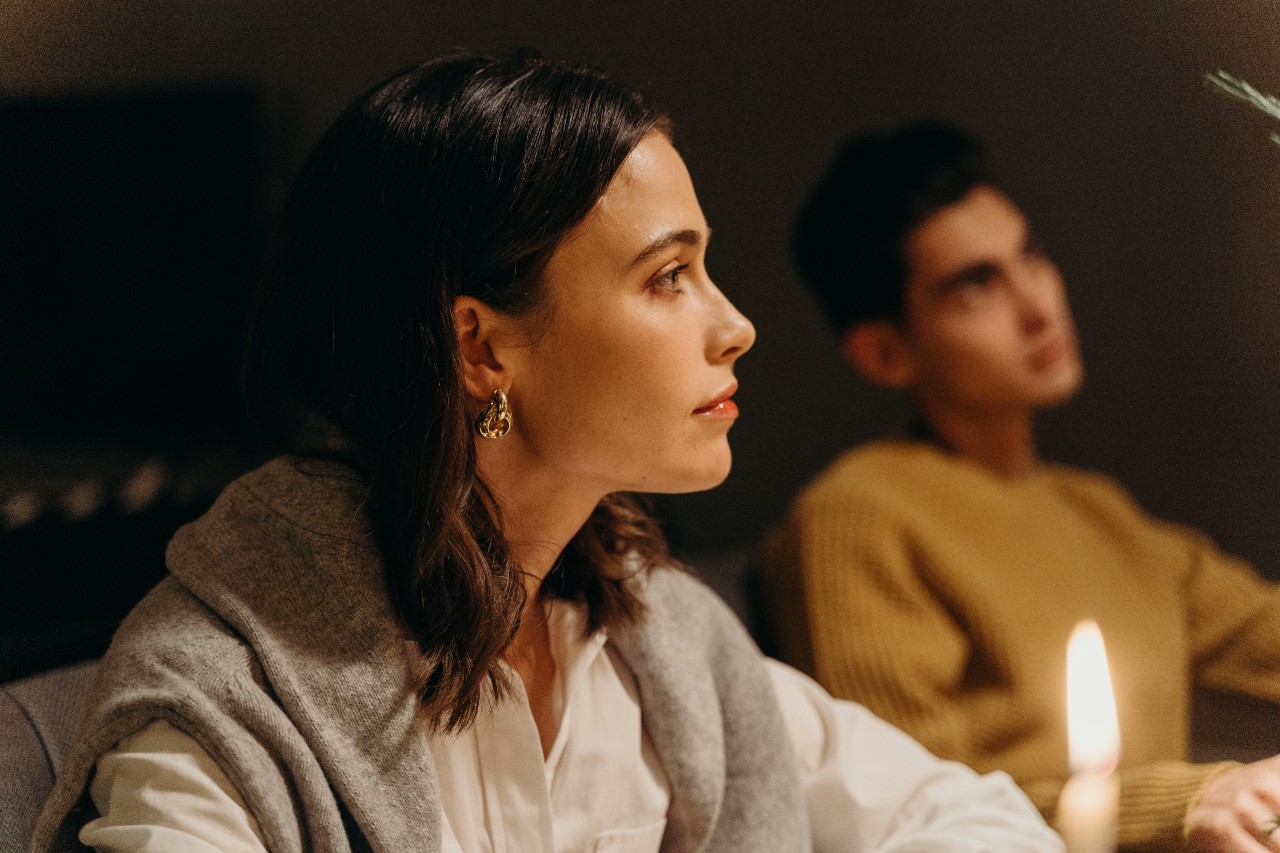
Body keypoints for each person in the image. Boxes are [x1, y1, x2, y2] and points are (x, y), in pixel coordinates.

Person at [29, 57, 1059, 853]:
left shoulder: (664, 645)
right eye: (667, 277)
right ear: (480, 346)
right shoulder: (230, 695)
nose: (735, 324)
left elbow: (969, 816)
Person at [762, 117, 1280, 853]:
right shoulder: (859, 513)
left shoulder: (1097, 510)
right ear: (884, 352)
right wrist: (1191, 799)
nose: (1037, 305)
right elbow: (912, 814)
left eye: (1030, 255)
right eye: (977, 285)